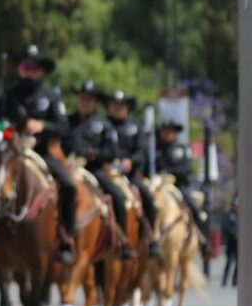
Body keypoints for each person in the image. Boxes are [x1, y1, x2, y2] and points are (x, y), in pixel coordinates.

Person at [0, 45, 75, 265]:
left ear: (41, 71)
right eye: (25, 67)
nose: (29, 71)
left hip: (40, 152)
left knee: (69, 185)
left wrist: (42, 125)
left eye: (34, 67)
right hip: (12, 153)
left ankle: (66, 237)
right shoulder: (9, 96)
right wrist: (8, 130)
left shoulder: (51, 97)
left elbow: (63, 127)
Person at [64, 81, 134, 260]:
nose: (84, 102)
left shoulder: (103, 124)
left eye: (89, 99)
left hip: (94, 169)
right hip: (69, 167)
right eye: (82, 98)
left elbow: (112, 150)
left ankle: (123, 240)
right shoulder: (68, 122)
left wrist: (94, 154)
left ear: (95, 103)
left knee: (118, 195)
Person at [106, 89, 160, 258]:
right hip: (106, 172)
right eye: (114, 105)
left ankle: (150, 238)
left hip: (130, 174)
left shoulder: (135, 126)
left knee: (148, 197)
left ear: (127, 108)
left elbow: (142, 151)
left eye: (120, 105)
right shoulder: (103, 124)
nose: (117, 108)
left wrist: (130, 162)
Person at [155, 120, 209, 240]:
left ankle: (203, 238)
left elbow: (187, 168)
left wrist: (170, 172)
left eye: (169, 131)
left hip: (179, 184)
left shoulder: (183, 148)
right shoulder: (156, 148)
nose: (166, 134)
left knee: (193, 205)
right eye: (164, 131)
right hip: (160, 184)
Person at [222, 197, 238, 287]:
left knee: (238, 263)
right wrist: (234, 234)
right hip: (231, 243)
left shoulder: (241, 216)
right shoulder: (229, 215)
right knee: (229, 261)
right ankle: (224, 280)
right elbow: (226, 226)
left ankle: (235, 281)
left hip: (238, 244)